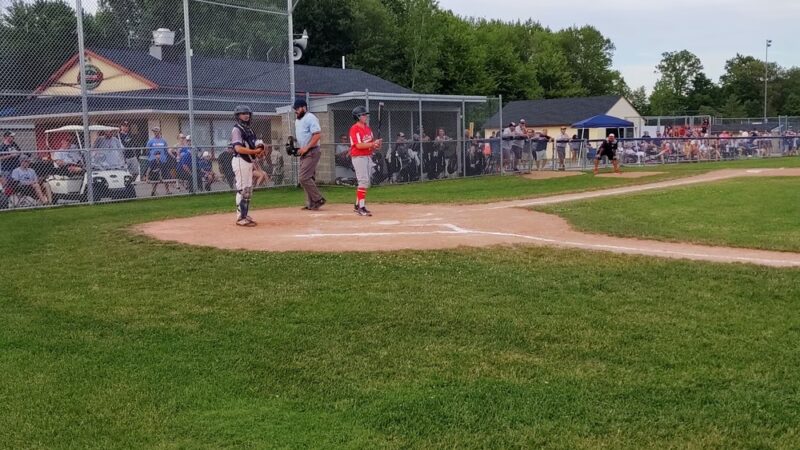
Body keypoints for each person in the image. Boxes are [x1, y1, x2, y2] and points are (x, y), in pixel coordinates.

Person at [230, 105, 265, 227]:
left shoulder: (249, 130)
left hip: (248, 161)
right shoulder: (237, 130)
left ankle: (245, 214)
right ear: (238, 116)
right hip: (240, 160)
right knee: (242, 189)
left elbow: (256, 143)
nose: (246, 115)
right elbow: (238, 148)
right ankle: (240, 217)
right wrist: (255, 152)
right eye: (243, 113)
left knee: (248, 190)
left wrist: (260, 148)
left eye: (248, 113)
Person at [293, 98, 325, 211]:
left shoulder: (310, 118)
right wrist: (296, 146)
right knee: (309, 177)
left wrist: (307, 147)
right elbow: (303, 137)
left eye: (297, 108)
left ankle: (318, 198)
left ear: (304, 108)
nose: (295, 111)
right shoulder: (297, 121)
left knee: (303, 177)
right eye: (295, 109)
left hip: (312, 151)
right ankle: (312, 203)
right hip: (304, 151)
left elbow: (317, 135)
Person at [349, 106, 381, 216]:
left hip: (367, 156)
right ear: (357, 117)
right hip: (358, 157)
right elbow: (359, 145)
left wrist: (376, 145)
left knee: (365, 182)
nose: (365, 116)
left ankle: (358, 205)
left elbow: (371, 145)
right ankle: (361, 207)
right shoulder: (355, 128)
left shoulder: (367, 128)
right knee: (363, 181)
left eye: (365, 114)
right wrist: (372, 144)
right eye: (363, 115)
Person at [145, 127, 171, 196]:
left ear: (159, 131)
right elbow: (147, 150)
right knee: (155, 176)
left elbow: (166, 150)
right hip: (154, 161)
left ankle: (167, 190)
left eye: (156, 131)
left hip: (163, 160)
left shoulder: (163, 141)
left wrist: (165, 157)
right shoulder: (150, 141)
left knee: (165, 176)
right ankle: (153, 191)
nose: (155, 132)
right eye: (154, 131)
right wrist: (151, 157)